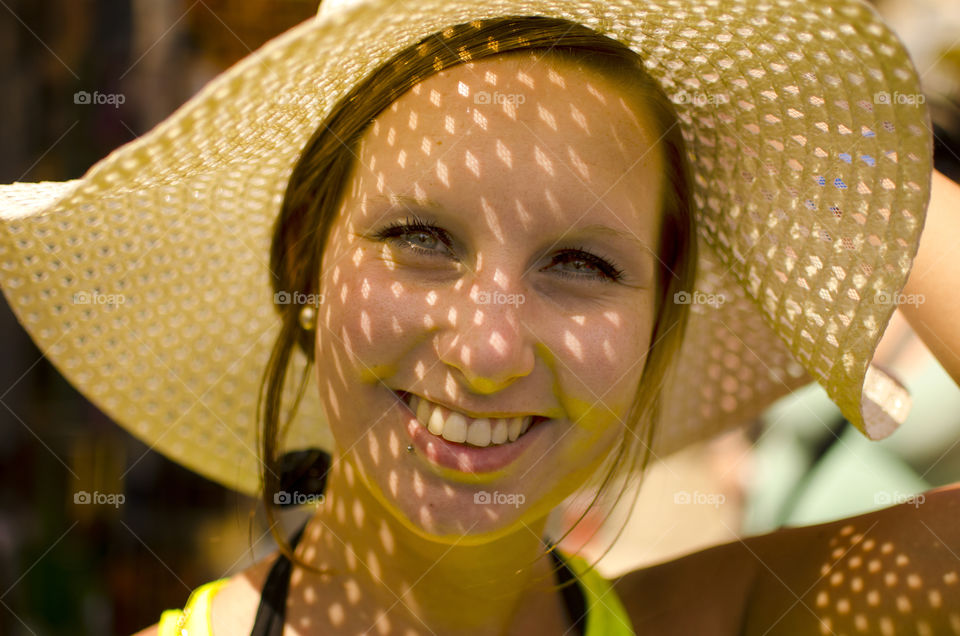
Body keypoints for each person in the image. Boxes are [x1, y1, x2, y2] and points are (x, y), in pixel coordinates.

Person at [1, 1, 958, 634]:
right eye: (421, 237)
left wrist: (835, 151)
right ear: (305, 258)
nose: (490, 348)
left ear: (659, 325)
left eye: (582, 262)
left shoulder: (718, 616)